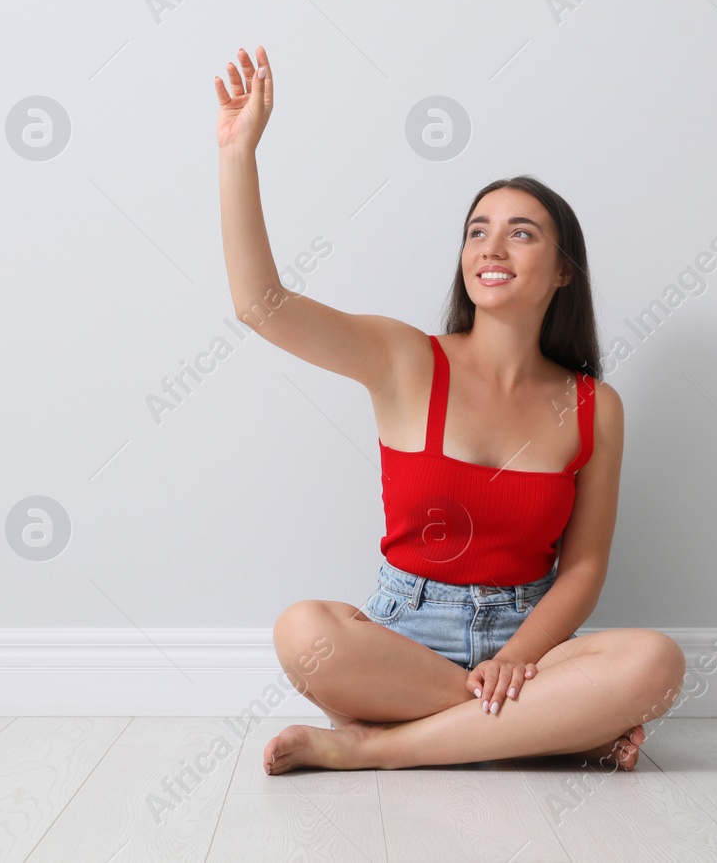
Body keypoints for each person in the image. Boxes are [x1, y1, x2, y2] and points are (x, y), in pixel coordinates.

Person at [214, 45, 687, 775]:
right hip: (403, 637)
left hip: (526, 644)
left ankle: (377, 746)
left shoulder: (597, 406)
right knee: (302, 628)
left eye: (521, 231)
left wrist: (520, 660)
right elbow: (260, 306)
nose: (491, 246)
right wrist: (238, 152)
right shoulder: (406, 360)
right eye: (477, 230)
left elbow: (584, 567)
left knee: (656, 661)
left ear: (563, 270)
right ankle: (543, 732)